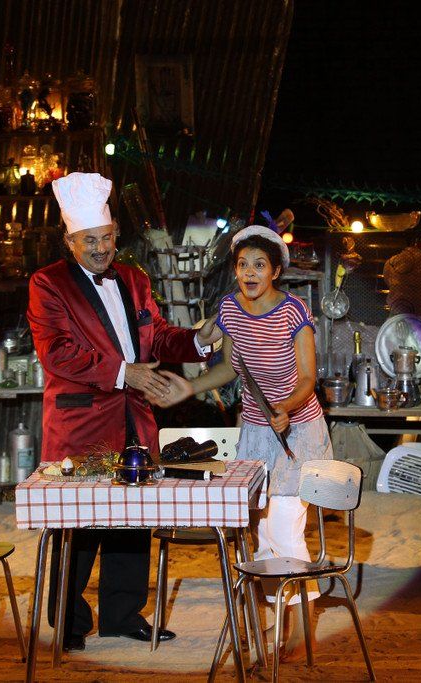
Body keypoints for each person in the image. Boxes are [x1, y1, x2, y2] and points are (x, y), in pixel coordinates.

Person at [26, 172, 221, 651]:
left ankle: (122, 615)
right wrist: (123, 373)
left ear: (116, 234)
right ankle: (69, 624)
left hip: (135, 419)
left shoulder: (134, 279)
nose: (101, 249)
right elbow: (57, 353)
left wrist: (197, 340)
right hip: (80, 423)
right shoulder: (48, 283)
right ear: (70, 241)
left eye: (107, 238)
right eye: (90, 240)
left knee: (133, 520)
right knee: (79, 525)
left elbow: (157, 336)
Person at [154, 224, 331, 660]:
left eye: (259, 265)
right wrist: (189, 387)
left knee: (284, 527)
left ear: (275, 271)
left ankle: (302, 628)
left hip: (297, 431)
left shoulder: (294, 312)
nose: (250, 272)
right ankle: (278, 617)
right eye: (242, 264)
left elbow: (308, 378)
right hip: (254, 430)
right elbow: (231, 367)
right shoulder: (231, 309)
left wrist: (286, 407)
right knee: (260, 531)